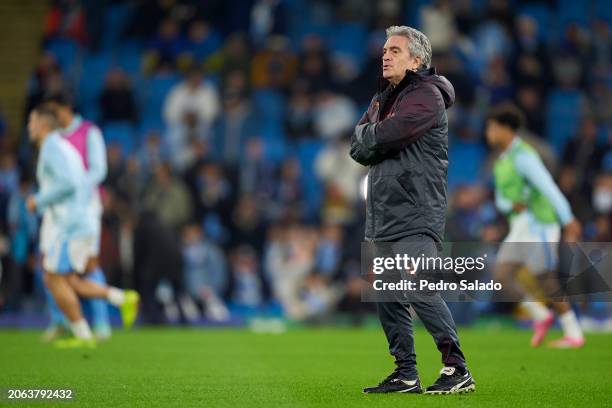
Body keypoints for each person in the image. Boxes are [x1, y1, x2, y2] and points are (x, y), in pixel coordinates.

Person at [350, 25, 474, 395]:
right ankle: (406, 374)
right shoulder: (383, 97)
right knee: (387, 293)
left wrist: (372, 135)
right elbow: (355, 148)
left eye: (395, 50)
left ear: (417, 60)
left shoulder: (425, 96)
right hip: (384, 212)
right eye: (384, 50)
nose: (385, 55)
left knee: (418, 286)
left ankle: (457, 368)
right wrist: (371, 135)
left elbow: (383, 136)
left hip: (417, 210)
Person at [27, 105, 139, 348]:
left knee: (53, 277)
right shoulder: (64, 146)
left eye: (32, 122)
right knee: (71, 279)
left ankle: (83, 333)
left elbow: (69, 183)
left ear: (44, 125)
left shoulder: (52, 146)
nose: (29, 127)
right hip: (81, 219)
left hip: (70, 224)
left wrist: (39, 200)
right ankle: (121, 298)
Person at [486, 104, 585, 349]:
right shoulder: (502, 161)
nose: (488, 132)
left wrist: (568, 219)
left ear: (505, 129)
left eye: (491, 127)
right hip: (520, 224)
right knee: (500, 276)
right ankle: (542, 316)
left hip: (539, 223)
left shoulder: (524, 156)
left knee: (546, 280)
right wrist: (511, 203)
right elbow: (501, 198)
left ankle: (573, 333)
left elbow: (548, 186)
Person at [42, 93, 112, 341]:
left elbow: (99, 169)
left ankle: (102, 323)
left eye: (53, 110)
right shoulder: (52, 137)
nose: (50, 116)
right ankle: (61, 320)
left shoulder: (89, 131)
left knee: (89, 263)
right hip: (58, 207)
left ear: (65, 108)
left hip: (86, 205)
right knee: (50, 262)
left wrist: (76, 190)